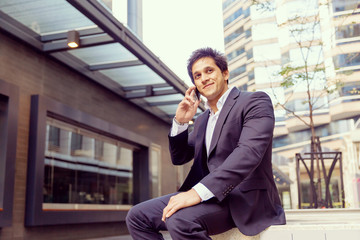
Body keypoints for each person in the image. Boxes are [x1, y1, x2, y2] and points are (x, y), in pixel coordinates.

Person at [126, 47, 286, 239]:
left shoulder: (254, 102)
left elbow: (248, 152)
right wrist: (181, 122)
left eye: (209, 71)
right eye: (197, 75)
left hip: (244, 198)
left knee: (180, 220)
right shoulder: (202, 120)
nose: (204, 78)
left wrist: (197, 193)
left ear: (225, 73)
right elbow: (180, 157)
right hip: (210, 198)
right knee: (137, 216)